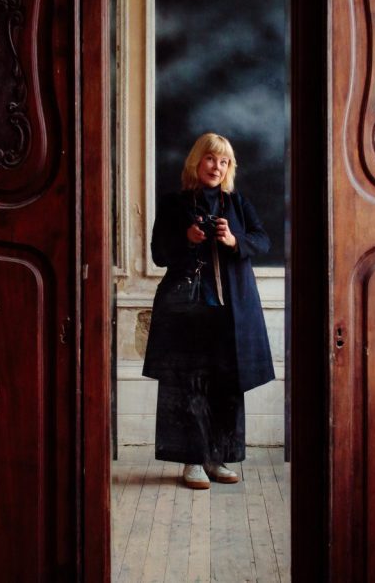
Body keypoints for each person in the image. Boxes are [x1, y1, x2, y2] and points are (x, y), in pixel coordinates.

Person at [143, 132, 275, 490]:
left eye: (224, 161)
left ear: (229, 167)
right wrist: (187, 239)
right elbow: (158, 253)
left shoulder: (238, 203)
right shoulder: (174, 204)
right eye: (210, 159)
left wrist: (234, 240)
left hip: (231, 311)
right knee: (190, 384)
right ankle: (192, 462)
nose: (217, 166)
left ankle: (219, 458)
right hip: (188, 310)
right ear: (196, 162)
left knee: (226, 384)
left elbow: (263, 240)